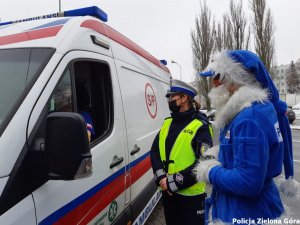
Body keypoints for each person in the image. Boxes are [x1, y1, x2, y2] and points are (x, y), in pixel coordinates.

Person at [195, 50, 295, 224]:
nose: (214, 83)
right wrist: (224, 151)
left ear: (234, 81)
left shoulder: (250, 118)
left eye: (218, 77)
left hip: (245, 213)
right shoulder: (255, 110)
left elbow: (248, 181)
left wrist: (209, 171)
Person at [150, 79, 213, 225]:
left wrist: (171, 182)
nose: (169, 100)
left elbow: (204, 164)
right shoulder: (167, 123)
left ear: (184, 98)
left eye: (172, 97)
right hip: (169, 194)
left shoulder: (200, 126)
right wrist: (162, 180)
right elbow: (155, 152)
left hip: (191, 198)